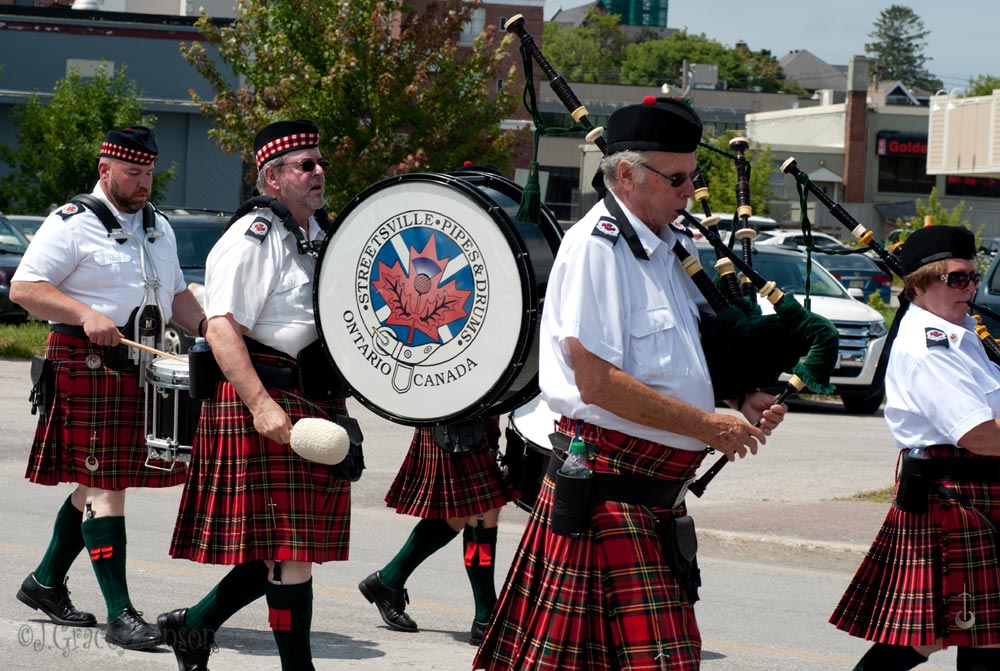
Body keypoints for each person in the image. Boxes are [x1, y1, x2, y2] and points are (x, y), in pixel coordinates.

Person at [471, 96, 787, 671]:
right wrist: (706, 426)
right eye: (677, 178)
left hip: (652, 500)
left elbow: (676, 357)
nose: (690, 190)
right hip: (607, 495)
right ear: (625, 174)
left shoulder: (670, 247)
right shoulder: (596, 250)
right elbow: (598, 383)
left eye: (694, 175)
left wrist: (739, 397)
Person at [160, 119, 355, 671]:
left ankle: (192, 627)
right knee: (291, 552)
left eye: (320, 161)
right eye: (305, 165)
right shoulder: (254, 237)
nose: (319, 172)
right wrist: (261, 405)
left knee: (285, 546)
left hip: (314, 397)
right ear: (273, 177)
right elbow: (222, 328)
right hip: (266, 395)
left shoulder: (321, 233)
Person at [11, 126, 205, 650]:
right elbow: (24, 288)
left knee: (96, 481)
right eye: (133, 172)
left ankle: (45, 583)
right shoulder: (72, 222)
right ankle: (121, 614)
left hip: (137, 364)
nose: (143, 183)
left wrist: (210, 329)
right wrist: (85, 313)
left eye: (149, 173)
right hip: (85, 361)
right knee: (105, 485)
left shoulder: (159, 226)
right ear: (105, 169)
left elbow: (177, 296)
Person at [831, 225, 1000, 671]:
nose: (970, 287)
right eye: (957, 278)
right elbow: (978, 434)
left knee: (977, 632)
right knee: (947, 634)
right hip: (956, 496)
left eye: (973, 276)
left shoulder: (961, 331)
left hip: (975, 491)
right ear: (920, 285)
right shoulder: (930, 348)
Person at [359, 417, 515, 645]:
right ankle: (486, 616)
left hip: (475, 415)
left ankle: (387, 581)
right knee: (483, 506)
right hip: (453, 419)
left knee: (464, 512)